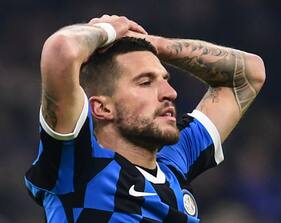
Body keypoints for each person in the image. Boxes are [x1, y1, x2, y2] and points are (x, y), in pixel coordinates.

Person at [24, 14, 265, 223]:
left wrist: (156, 45)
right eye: (145, 82)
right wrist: (108, 31)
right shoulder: (77, 165)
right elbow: (61, 49)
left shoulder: (173, 162)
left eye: (166, 79)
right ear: (102, 108)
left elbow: (249, 75)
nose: (170, 93)